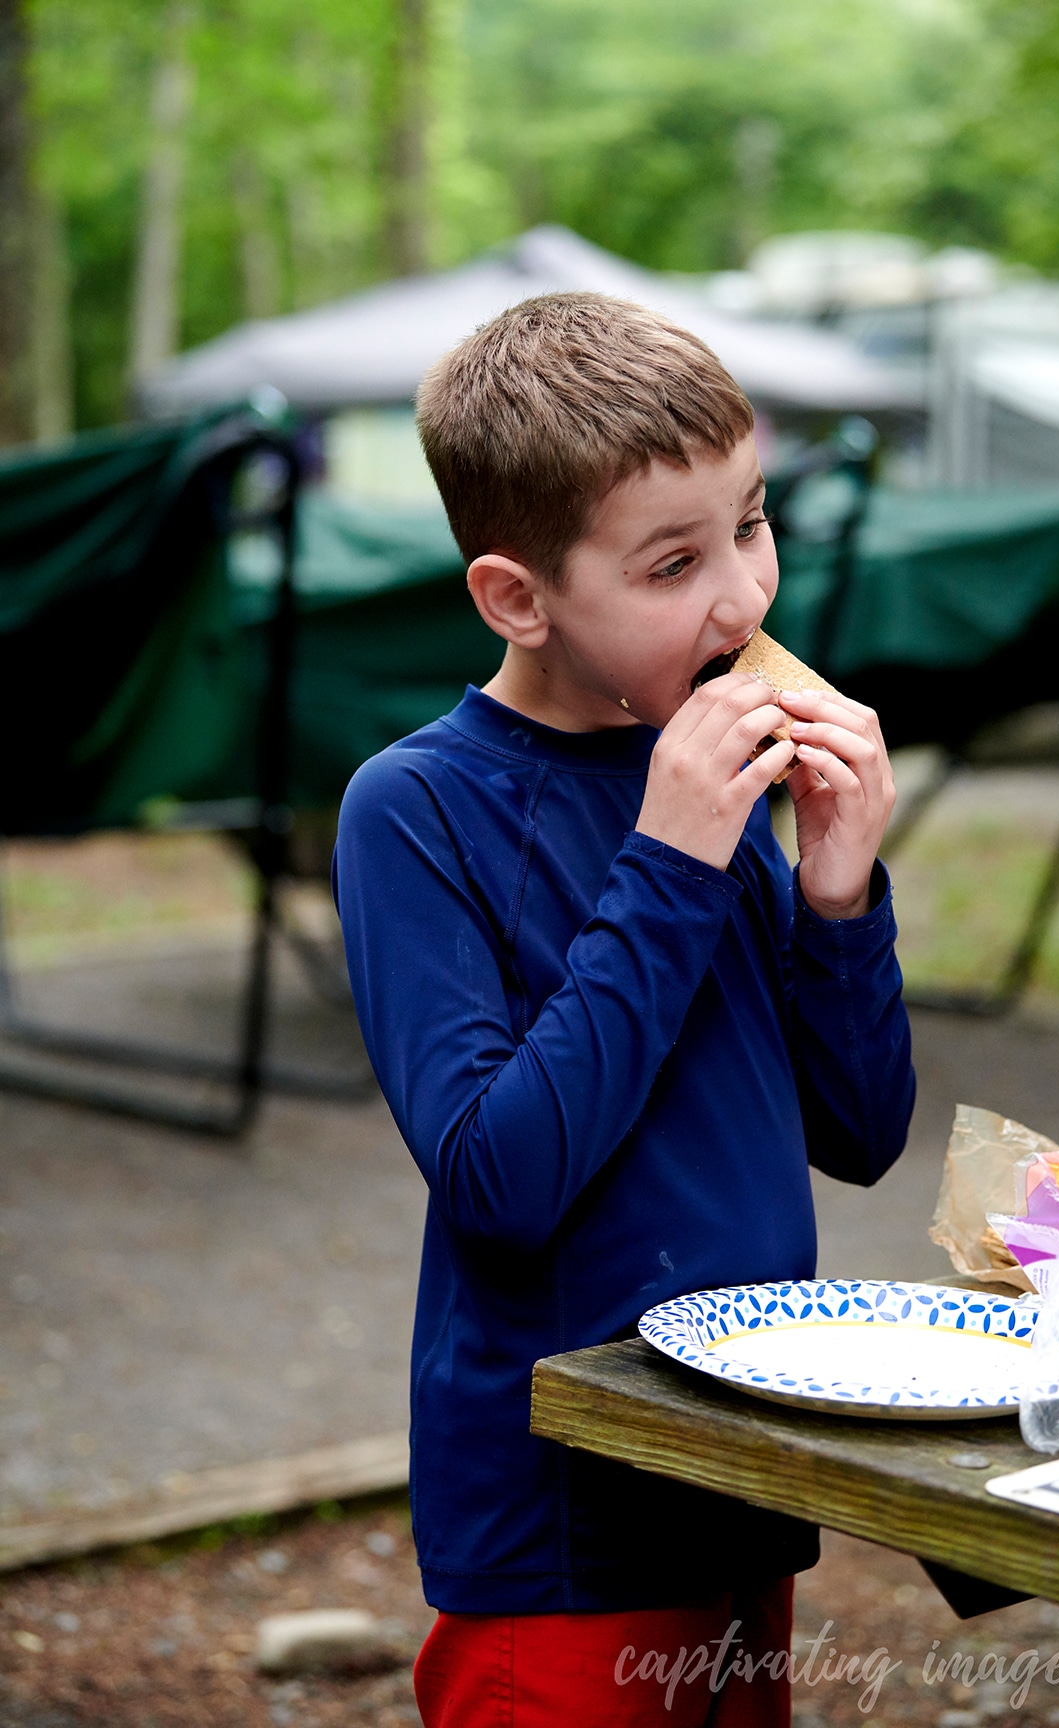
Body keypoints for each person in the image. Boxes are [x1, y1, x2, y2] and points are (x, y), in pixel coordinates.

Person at [334, 291, 915, 1727]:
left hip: (748, 1465)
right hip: (563, 1527)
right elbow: (497, 1186)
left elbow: (861, 1131)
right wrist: (668, 864)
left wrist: (838, 901)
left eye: (752, 524)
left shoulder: (706, 774)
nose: (742, 599)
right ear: (519, 598)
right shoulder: (419, 810)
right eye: (672, 563)